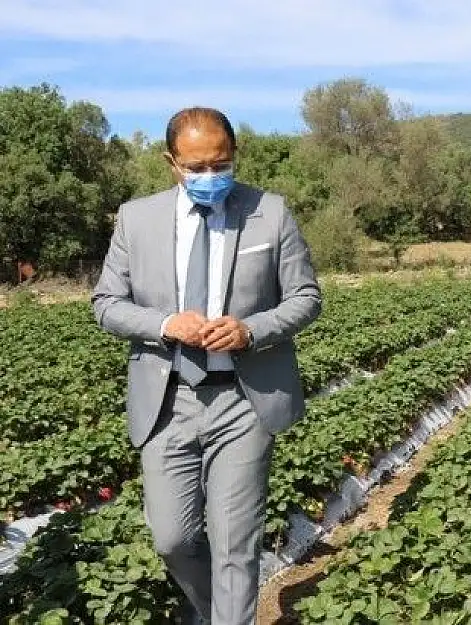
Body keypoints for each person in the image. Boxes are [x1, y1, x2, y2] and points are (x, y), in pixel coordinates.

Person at [91, 107, 322, 625]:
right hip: (168, 400)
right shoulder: (136, 218)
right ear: (172, 162)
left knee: (235, 544)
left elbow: (306, 296)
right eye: (196, 167)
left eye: (220, 163)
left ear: (234, 155)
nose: (209, 176)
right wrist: (166, 324)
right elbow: (106, 303)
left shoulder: (271, 212)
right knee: (172, 538)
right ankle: (216, 611)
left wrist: (251, 330)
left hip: (244, 399)